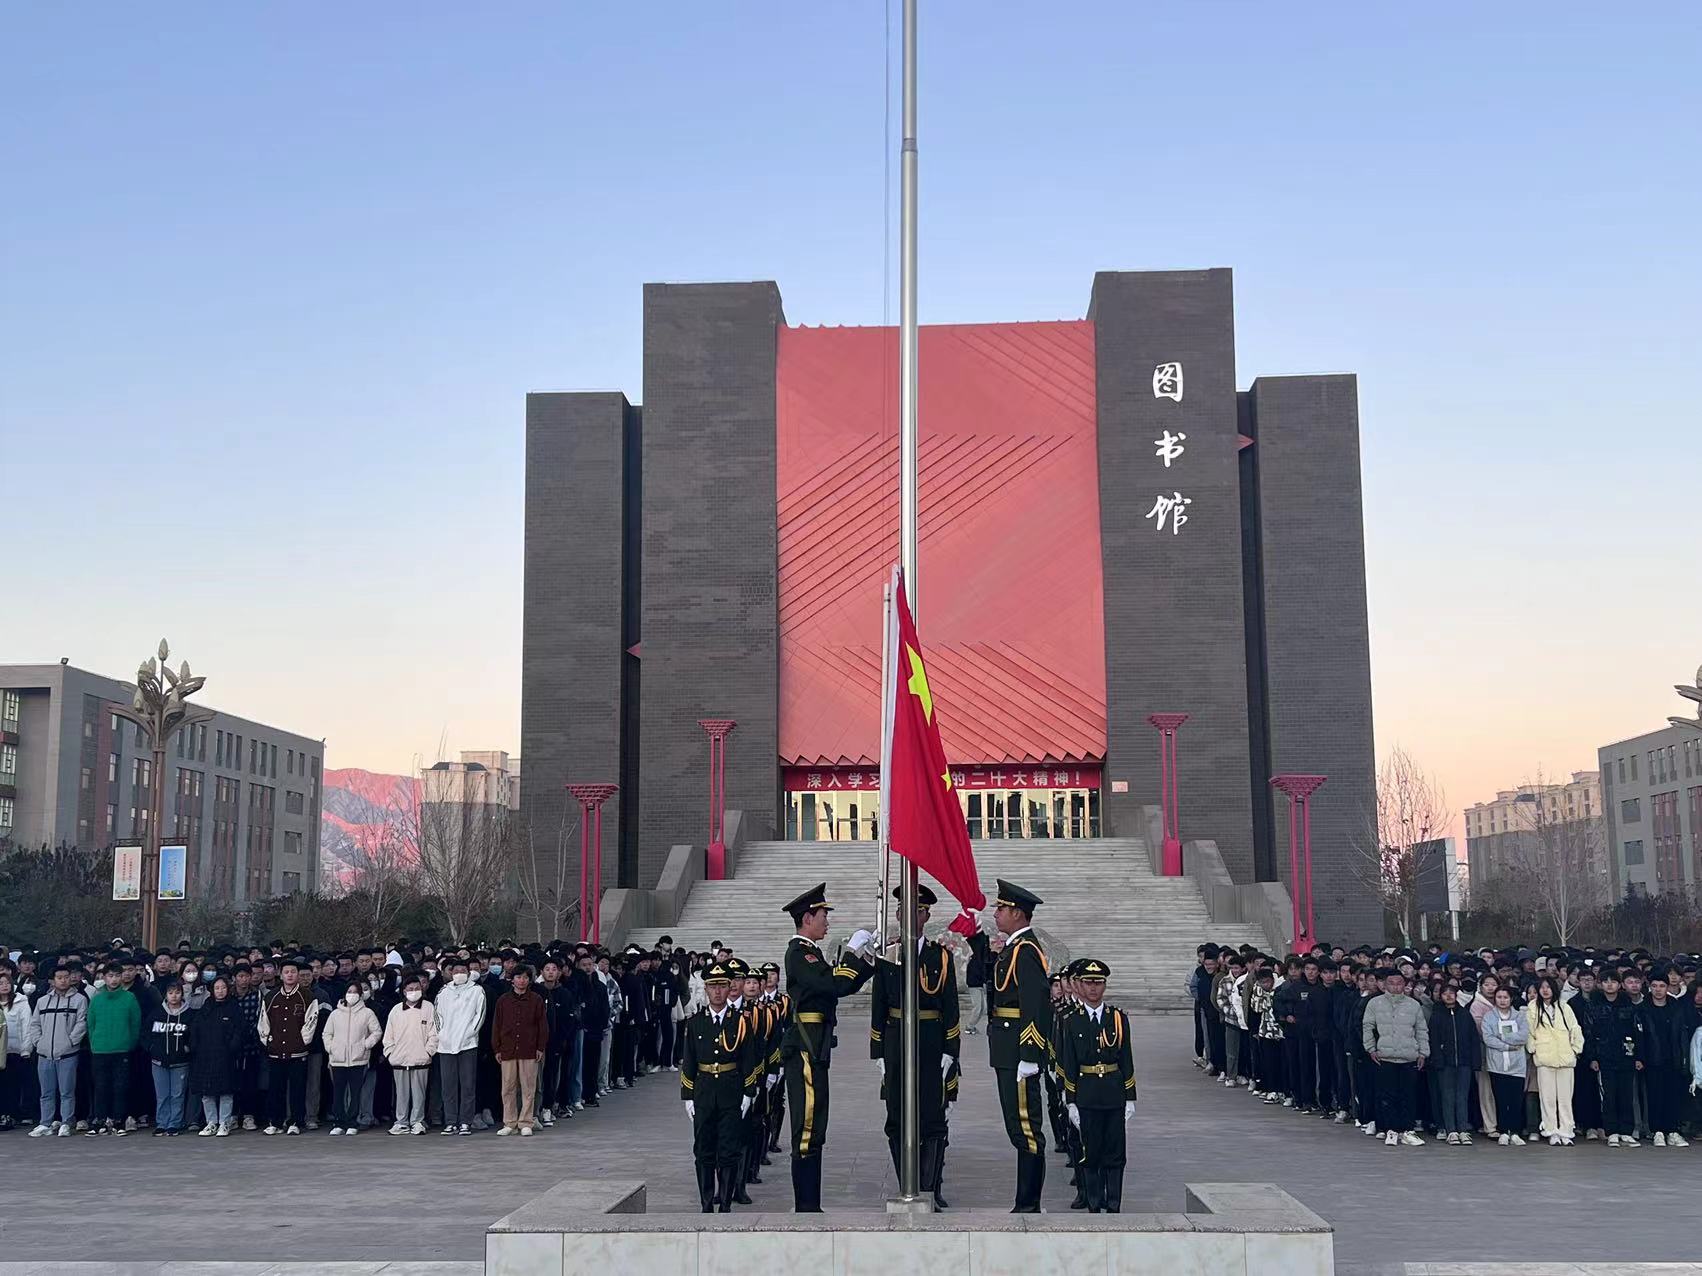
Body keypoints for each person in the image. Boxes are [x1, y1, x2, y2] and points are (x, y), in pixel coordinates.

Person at [779, 882, 878, 1212]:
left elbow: (842, 984)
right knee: (808, 1127)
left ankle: (811, 1204)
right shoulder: (800, 953)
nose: (827, 922)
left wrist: (868, 960)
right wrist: (851, 953)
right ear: (807, 918)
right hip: (805, 1048)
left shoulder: (811, 953)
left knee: (816, 1124)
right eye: (823, 915)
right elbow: (834, 983)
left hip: (816, 1046)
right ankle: (805, 1206)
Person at [868, 883, 960, 1210]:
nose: (909, 916)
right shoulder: (889, 955)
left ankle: (929, 1187)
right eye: (904, 910)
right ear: (896, 915)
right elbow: (878, 1004)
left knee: (932, 1116)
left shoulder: (940, 956)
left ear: (926, 916)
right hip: (896, 1039)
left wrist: (951, 1050)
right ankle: (905, 1181)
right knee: (896, 1115)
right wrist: (878, 1051)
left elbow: (951, 1005)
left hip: (931, 1040)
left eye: (917, 911)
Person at [979, 878, 1051, 1212]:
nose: (996, 913)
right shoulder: (1013, 948)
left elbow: (1035, 1004)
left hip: (1019, 1052)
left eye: (1001, 908)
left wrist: (1030, 1055)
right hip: (1007, 1049)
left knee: (1026, 1128)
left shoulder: (1026, 951)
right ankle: (1025, 1201)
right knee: (1016, 1126)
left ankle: (1029, 1203)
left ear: (1018, 913)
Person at [1057, 959, 1136, 1214]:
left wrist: (1130, 1097)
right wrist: (1070, 1101)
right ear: (1080, 985)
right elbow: (1069, 1061)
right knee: (1090, 1153)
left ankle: (1113, 1204)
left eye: (1098, 983)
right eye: (1088, 983)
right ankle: (1093, 1204)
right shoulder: (1072, 1020)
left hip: (1113, 1092)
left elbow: (1126, 1059)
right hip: (1087, 1093)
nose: (1093, 988)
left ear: (1105, 986)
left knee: (1115, 1153)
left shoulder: (1117, 1018)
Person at [681, 961, 759, 1212]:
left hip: (731, 1091)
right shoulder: (695, 1022)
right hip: (704, 1091)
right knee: (703, 1149)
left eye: (722, 986)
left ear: (729, 987)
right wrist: (688, 1095)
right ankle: (706, 1204)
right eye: (713, 986)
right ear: (705, 989)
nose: (717, 991)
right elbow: (689, 1060)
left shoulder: (741, 1021)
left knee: (728, 1149)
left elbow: (748, 1058)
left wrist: (749, 1092)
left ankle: (725, 1204)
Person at [1362, 967, 1428, 1147]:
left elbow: (1421, 1030)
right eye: (1391, 983)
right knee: (1387, 1095)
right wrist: (1370, 1048)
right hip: (1385, 1056)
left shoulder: (1413, 1005)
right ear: (1384, 985)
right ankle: (1390, 1130)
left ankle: (1407, 1130)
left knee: (1408, 1095)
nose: (1396, 987)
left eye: (1399, 983)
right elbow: (1367, 1027)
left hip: (1409, 1056)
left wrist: (1423, 1052)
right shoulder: (1375, 1003)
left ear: (1405, 985)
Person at [257, 955, 319, 1135]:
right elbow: (263, 1021)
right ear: (280, 974)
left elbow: (311, 1021)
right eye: (286, 972)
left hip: (297, 1052)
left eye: (293, 972)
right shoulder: (271, 996)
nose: (290, 975)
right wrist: (267, 1041)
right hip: (276, 1050)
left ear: (298, 974)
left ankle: (296, 1122)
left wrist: (303, 1042)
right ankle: (275, 1122)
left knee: (297, 1089)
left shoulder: (307, 996)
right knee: (275, 1088)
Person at [1586, 967, 1643, 1146]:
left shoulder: (1628, 1005)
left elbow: (1637, 1032)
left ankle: (1626, 1131)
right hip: (1604, 1057)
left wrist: (1638, 1056)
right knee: (1609, 1096)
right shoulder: (1594, 1006)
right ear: (1600, 984)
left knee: (1626, 1095)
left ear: (1620, 985)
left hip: (1627, 1055)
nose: (1610, 985)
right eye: (1606, 982)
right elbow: (1589, 1033)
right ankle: (1611, 1132)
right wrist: (1592, 1058)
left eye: (1613, 981)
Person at [29, 963, 87, 1137]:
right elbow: (35, 1024)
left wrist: (70, 1042)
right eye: (59, 978)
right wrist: (38, 1042)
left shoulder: (79, 999)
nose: (63, 981)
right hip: (44, 1053)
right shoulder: (43, 1001)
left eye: (66, 977)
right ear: (52, 981)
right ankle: (45, 1122)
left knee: (67, 1092)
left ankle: (66, 1122)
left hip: (68, 1054)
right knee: (46, 1092)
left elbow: (81, 1023)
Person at [1526, 974, 1585, 1145]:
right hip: (1545, 1058)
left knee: (1565, 1098)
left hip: (1565, 1057)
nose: (1545, 990)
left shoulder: (1564, 1006)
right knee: (1548, 1098)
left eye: (1548, 987)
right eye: (1542, 987)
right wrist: (1534, 1049)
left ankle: (1566, 1131)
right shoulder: (1533, 1008)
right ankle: (1551, 1130)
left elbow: (1575, 1028)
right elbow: (1530, 1032)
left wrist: (1575, 1050)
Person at [321, 974, 382, 1136]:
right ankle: (338, 1122)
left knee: (356, 1093)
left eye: (355, 992)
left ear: (361, 995)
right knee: (338, 1093)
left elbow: (376, 1032)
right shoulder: (335, 1014)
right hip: (337, 1060)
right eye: (349, 991)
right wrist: (331, 1048)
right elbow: (327, 1034)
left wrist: (365, 1045)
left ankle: (352, 1122)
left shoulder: (367, 1013)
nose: (352, 994)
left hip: (358, 1060)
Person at [86, 960, 141, 1136]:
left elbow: (135, 1024)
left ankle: (119, 1120)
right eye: (110, 976)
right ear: (104, 977)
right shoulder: (97, 999)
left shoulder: (129, 998)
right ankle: (100, 1119)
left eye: (117, 975)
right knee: (100, 1087)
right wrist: (94, 1043)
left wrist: (129, 1044)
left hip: (122, 1050)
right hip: (100, 1050)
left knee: (120, 1087)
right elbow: (91, 1024)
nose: (114, 979)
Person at [492, 964, 547, 1136]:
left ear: (529, 980)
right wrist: (497, 1048)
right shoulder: (503, 1000)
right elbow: (497, 1025)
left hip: (529, 1048)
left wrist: (540, 1047)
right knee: (508, 1087)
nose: (522, 981)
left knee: (528, 1087)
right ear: (512, 980)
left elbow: (542, 1025)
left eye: (525, 977)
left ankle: (526, 1122)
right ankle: (509, 1122)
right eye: (518, 977)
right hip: (507, 1048)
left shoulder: (536, 999)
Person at [434, 955, 484, 1136]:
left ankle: (465, 1122)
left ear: (469, 973)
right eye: (456, 971)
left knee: (468, 1085)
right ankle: (450, 1121)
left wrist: (469, 1034)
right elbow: (437, 1016)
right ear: (451, 973)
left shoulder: (477, 991)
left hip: (468, 1044)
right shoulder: (443, 992)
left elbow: (479, 1015)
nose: (460, 973)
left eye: (463, 971)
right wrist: (442, 1035)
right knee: (448, 1086)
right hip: (446, 1046)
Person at [188, 973, 243, 1136]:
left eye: (223, 987)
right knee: (207, 1092)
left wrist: (233, 1046)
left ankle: (224, 1123)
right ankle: (211, 1122)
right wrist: (194, 1047)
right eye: (217, 988)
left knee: (226, 1091)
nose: (220, 991)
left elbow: (240, 1030)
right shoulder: (206, 1007)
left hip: (226, 1056)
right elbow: (195, 1028)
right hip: (205, 1056)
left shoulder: (234, 1007)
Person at [382, 971, 437, 1135]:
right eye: (410, 989)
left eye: (417, 988)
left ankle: (417, 1121)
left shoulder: (428, 1007)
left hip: (421, 1059)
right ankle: (401, 1121)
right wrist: (390, 1054)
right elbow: (388, 1035)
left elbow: (434, 1033)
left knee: (419, 1093)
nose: (414, 991)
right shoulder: (396, 1010)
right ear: (404, 991)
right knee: (401, 1094)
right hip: (399, 1060)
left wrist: (428, 1052)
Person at [1426, 982, 1479, 1145]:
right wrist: (1437, 1059)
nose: (1448, 996)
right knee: (1447, 1097)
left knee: (1462, 1096)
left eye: (1451, 993)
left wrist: (1475, 1061)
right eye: (1445, 993)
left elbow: (1473, 1038)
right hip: (1445, 1063)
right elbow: (1433, 1040)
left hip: (1464, 1062)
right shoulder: (1437, 1015)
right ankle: (1451, 1130)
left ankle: (1463, 1129)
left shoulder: (1464, 1014)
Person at [1480, 985, 1529, 1145]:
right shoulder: (1489, 1017)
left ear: (1511, 999)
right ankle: (1503, 1131)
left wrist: (1501, 1035)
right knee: (1501, 1100)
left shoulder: (1519, 1016)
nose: (1502, 1000)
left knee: (1516, 1100)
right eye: (1499, 997)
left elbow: (1523, 1036)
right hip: (1497, 1065)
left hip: (1517, 1065)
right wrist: (1507, 1045)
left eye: (1505, 997)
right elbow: (1488, 1038)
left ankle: (1515, 1132)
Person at [143, 979, 193, 1135]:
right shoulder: (156, 1013)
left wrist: (187, 1048)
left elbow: (195, 1036)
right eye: (170, 993)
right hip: (158, 1062)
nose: (174, 996)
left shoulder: (189, 1014)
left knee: (177, 1095)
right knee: (162, 1095)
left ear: (182, 994)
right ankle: (162, 1123)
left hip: (180, 1062)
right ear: (165, 995)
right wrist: (151, 1048)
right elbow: (145, 1034)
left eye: (177, 992)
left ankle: (175, 1123)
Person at [0, 970, 33, 1130]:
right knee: (3, 1085)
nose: (4, 986)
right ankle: (5, 1114)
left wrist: (26, 1049)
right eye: (1, 983)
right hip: (1, 1052)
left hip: (17, 1050)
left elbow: (27, 1026)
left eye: (7, 983)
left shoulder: (21, 1002)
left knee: (16, 1085)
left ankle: (18, 1114)